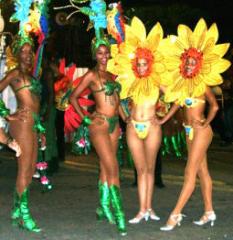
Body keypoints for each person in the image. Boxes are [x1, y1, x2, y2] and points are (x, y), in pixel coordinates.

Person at [159, 18, 231, 231]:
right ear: (184, 63)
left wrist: (205, 123)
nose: (190, 64)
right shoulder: (182, 85)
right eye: (187, 61)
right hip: (189, 130)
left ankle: (175, 214)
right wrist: (163, 119)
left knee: (189, 172)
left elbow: (215, 107)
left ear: (198, 64)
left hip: (201, 131)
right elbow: (173, 101)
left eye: (193, 62)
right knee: (202, 172)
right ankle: (209, 212)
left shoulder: (202, 85)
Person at [107, 17, 169, 224]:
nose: (141, 67)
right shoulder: (130, 81)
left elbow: (176, 97)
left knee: (150, 169)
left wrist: (164, 118)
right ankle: (142, 210)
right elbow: (116, 96)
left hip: (152, 127)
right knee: (140, 169)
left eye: (144, 64)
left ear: (149, 64)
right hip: (134, 127)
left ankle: (149, 208)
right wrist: (125, 117)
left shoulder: (157, 81)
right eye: (138, 64)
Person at [70, 39, 127, 236]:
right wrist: (86, 119)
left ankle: (103, 206)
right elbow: (73, 96)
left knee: (105, 167)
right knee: (112, 167)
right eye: (100, 53)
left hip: (114, 126)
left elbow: (117, 102)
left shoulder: (112, 76)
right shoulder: (92, 75)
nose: (103, 56)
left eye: (106, 52)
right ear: (95, 55)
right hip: (99, 124)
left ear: (110, 54)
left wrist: (127, 119)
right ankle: (119, 213)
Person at [0, 36, 42, 232]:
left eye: (30, 52)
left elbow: (37, 104)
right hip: (22, 125)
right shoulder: (14, 74)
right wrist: (7, 114)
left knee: (30, 168)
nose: (28, 55)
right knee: (25, 169)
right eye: (23, 52)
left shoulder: (33, 77)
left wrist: (40, 128)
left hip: (34, 125)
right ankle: (24, 215)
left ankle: (17, 209)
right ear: (17, 54)